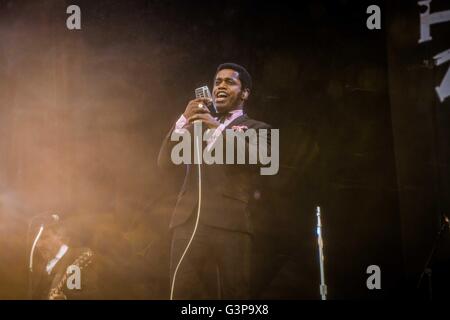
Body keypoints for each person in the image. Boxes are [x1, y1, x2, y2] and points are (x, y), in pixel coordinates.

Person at [158, 63, 272, 299]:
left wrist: (216, 128)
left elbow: (260, 158)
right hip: (189, 222)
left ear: (245, 93)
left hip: (230, 223)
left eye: (230, 82)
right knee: (181, 292)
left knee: (235, 294)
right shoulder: (194, 127)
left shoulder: (257, 128)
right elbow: (164, 162)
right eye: (217, 82)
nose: (221, 85)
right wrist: (182, 120)